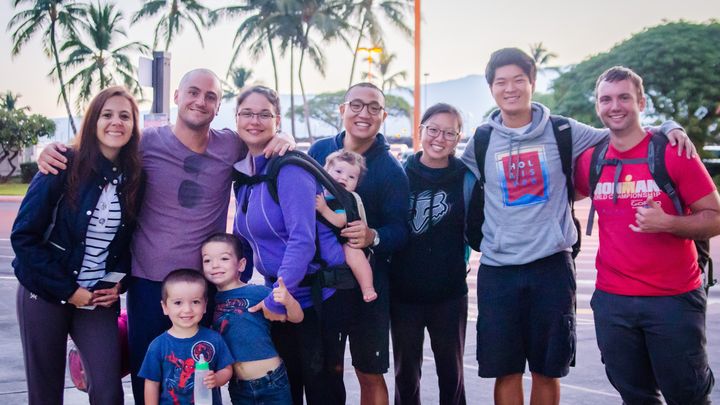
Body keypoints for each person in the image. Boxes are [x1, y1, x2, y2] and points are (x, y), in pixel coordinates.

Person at [36, 69, 294, 403]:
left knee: (203, 378)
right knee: (150, 376)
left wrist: (284, 136)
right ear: (176, 97)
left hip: (203, 284)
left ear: (218, 107)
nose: (200, 101)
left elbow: (259, 133)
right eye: (193, 92)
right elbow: (99, 148)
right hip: (147, 283)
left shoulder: (230, 145)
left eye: (211, 96)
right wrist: (53, 150)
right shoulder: (145, 143)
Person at [460, 48, 694, 405]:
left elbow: (623, 130)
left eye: (519, 80)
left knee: (547, 369)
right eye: (501, 82)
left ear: (532, 83)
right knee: (505, 370)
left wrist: (669, 127)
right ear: (491, 88)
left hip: (551, 268)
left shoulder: (564, 130)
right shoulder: (481, 140)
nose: (510, 89)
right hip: (498, 271)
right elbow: (447, 170)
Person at [574, 66, 718, 404]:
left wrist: (668, 223)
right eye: (606, 99)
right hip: (613, 301)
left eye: (624, 97)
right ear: (598, 106)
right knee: (635, 396)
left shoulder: (673, 152)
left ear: (641, 102)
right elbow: (559, 194)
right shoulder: (591, 160)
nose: (615, 106)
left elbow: (715, 217)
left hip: (673, 299)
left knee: (688, 396)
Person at [11, 86, 143, 405]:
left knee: (109, 392)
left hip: (96, 300)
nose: (116, 122)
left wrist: (119, 283)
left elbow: (130, 244)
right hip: (45, 292)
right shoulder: (63, 163)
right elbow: (23, 237)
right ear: (93, 120)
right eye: (107, 114)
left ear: (133, 125)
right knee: (45, 394)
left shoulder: (136, 178)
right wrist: (68, 290)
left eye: (125, 116)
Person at [231, 85, 348, 405]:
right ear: (236, 118)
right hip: (279, 296)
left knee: (323, 392)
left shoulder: (290, 168)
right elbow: (242, 240)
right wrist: (235, 287)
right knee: (287, 391)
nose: (255, 121)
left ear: (277, 120)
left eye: (264, 114)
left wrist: (278, 296)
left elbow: (302, 240)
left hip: (316, 298)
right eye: (247, 113)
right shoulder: (246, 175)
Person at [308, 82, 410, 405]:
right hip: (323, 283)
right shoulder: (319, 151)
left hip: (369, 287)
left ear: (383, 116)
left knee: (369, 372)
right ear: (342, 110)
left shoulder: (391, 170)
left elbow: (400, 230)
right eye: (356, 105)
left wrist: (371, 236)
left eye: (373, 107)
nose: (364, 113)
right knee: (325, 370)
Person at [391, 103, 473, 405]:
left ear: (458, 138)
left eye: (449, 133)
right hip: (404, 295)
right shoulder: (400, 174)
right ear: (420, 130)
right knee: (406, 375)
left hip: (449, 294)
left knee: (452, 374)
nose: (440, 138)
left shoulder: (466, 177)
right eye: (433, 130)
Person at [202, 233, 302, 404]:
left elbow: (297, 317)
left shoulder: (257, 293)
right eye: (207, 260)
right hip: (239, 387)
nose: (215, 265)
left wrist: (288, 300)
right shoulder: (207, 302)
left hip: (272, 382)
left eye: (224, 258)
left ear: (241, 264)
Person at [140, 269, 234, 405]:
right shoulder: (158, 345)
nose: (187, 309)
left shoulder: (214, 339)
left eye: (195, 302)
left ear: (205, 305)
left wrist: (217, 378)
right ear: (165, 307)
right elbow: (151, 383)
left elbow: (226, 368)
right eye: (178, 303)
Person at [316, 149, 376, 302]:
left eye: (351, 177)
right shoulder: (321, 193)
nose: (344, 178)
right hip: (325, 241)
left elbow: (340, 221)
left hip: (346, 239)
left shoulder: (344, 199)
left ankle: (367, 287)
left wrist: (323, 209)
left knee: (354, 254)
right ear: (325, 171)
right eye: (338, 171)